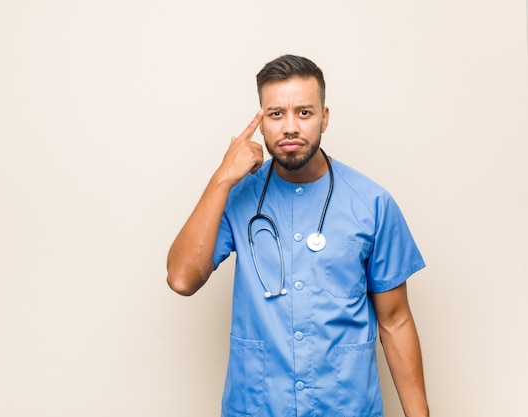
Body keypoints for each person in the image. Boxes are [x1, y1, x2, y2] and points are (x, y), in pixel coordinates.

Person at [166, 54, 429, 417]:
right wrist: (222, 177)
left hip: (346, 407)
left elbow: (395, 320)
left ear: (325, 117)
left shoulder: (372, 203)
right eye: (276, 114)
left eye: (304, 112)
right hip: (257, 407)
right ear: (261, 123)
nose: (290, 127)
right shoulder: (236, 196)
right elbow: (181, 279)